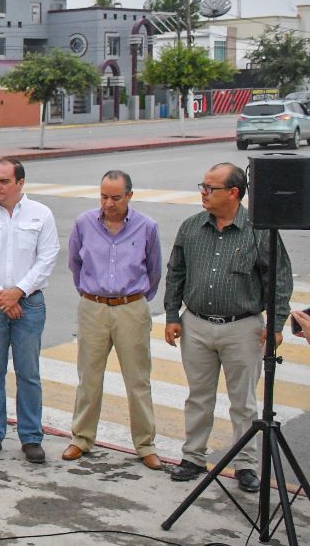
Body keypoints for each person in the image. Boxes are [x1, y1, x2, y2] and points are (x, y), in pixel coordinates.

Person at [164, 162, 292, 492]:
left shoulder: (260, 231)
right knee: (198, 397)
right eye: (202, 187)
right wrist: (172, 316)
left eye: (210, 188)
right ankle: (193, 457)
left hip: (243, 328)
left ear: (233, 193)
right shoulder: (192, 227)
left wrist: (276, 324)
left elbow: (279, 279)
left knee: (244, 403)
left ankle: (246, 466)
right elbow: (176, 273)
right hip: (196, 326)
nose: (203, 193)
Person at [64, 171, 163, 470]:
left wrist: (136, 302)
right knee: (89, 378)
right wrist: (90, 294)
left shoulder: (147, 227)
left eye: (116, 197)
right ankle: (81, 438)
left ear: (130, 196)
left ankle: (145, 444)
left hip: (131, 307)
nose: (109, 203)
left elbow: (155, 270)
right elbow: (75, 264)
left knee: (137, 380)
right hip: (93, 306)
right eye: (104, 196)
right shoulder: (84, 223)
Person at [0, 158, 59, 464]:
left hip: (29, 303)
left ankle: (31, 437)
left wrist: (18, 292)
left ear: (20, 183)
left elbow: (47, 258)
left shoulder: (41, 214)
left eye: (4, 181)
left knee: (29, 372)